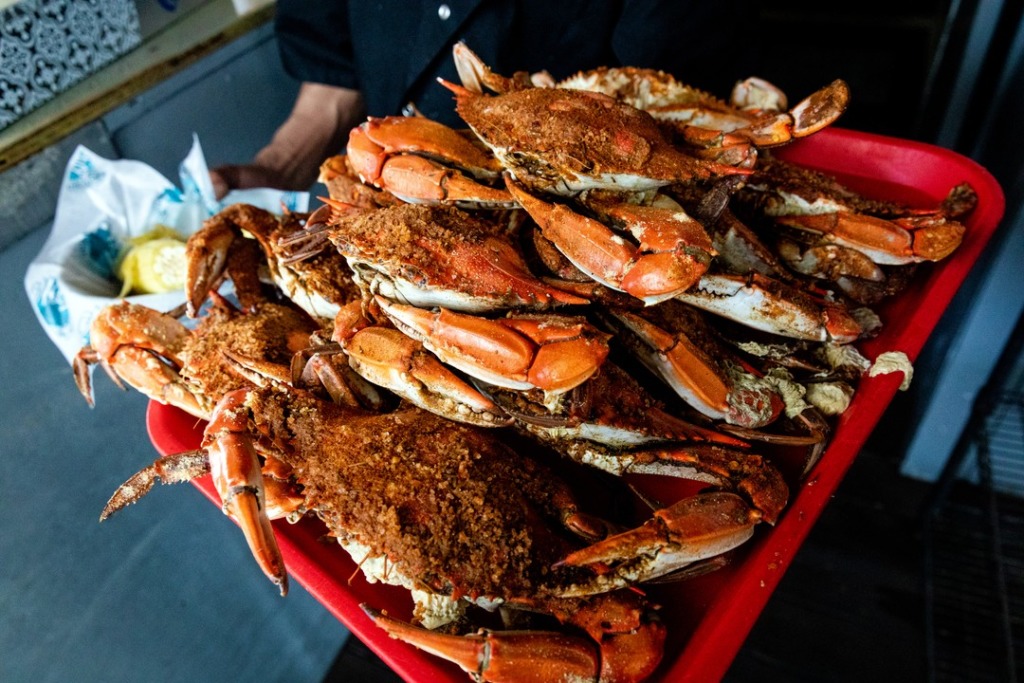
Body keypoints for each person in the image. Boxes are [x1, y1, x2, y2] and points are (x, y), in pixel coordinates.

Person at [210, 0, 757, 198]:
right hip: (382, 199)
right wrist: (279, 165)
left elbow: (669, 135)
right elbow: (334, 74)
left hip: (586, 218)